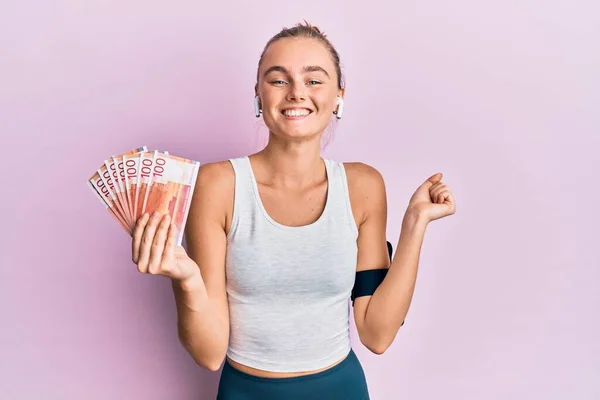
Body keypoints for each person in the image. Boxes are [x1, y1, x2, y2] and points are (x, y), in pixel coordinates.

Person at [131, 21, 456, 400]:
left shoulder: (364, 187)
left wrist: (414, 225)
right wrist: (185, 279)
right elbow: (209, 353)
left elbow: (377, 333)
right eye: (279, 80)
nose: (297, 92)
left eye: (314, 80)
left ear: (339, 95)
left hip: (342, 389)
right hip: (246, 392)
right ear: (258, 93)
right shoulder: (217, 185)